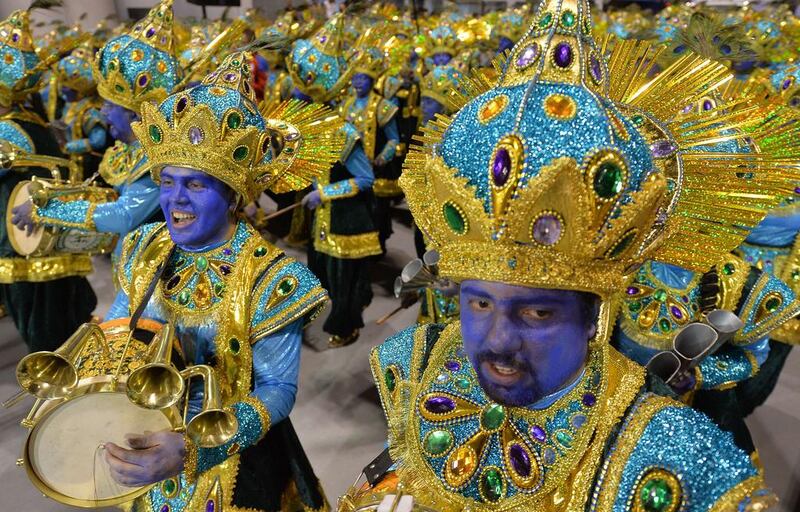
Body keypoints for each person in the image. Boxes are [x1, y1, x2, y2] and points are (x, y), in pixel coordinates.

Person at [338, 0, 793, 509]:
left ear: (594, 316)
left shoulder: (669, 455)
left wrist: (699, 376)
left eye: (536, 311)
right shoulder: (421, 365)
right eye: (479, 303)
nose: (497, 342)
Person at [100, 51, 343, 512]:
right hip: (145, 437)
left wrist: (194, 446)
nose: (175, 200)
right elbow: (119, 326)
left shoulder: (274, 279)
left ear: (233, 195)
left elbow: (278, 391)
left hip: (235, 463)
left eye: (195, 185)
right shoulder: (145, 246)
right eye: (168, 181)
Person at [11, 0, 183, 268]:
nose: (103, 113)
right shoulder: (131, 151)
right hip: (132, 259)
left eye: (111, 106)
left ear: (137, 116)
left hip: (155, 267)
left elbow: (125, 215)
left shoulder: (156, 162)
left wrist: (49, 211)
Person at [0, 6, 97, 353]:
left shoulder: (9, 128)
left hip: (23, 241)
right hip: (48, 234)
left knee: (45, 332)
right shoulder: (34, 123)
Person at [288, 12, 382, 348]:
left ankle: (347, 325)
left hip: (346, 221)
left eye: (306, 99)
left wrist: (325, 194)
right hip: (322, 220)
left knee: (343, 280)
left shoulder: (343, 133)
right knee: (322, 273)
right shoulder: (313, 129)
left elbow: (366, 178)